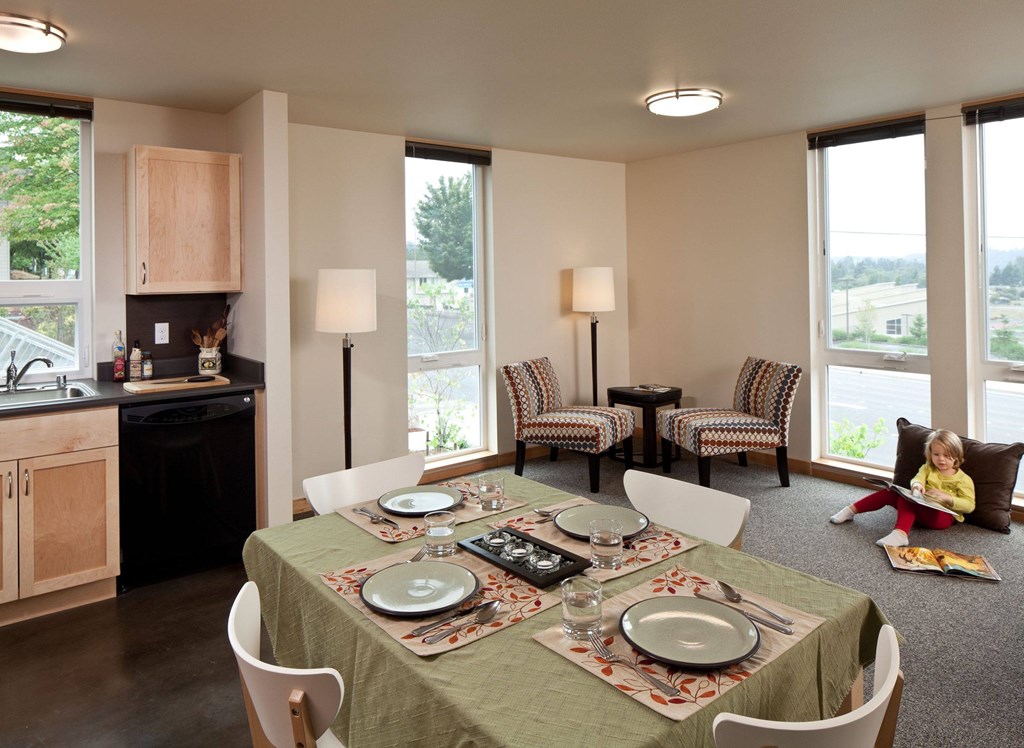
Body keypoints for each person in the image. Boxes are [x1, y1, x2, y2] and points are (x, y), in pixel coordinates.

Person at [829, 429, 975, 547]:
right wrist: (917, 486)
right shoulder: (928, 468)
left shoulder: (963, 479)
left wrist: (946, 497)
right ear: (930, 454)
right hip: (919, 508)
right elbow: (917, 479)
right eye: (936, 454)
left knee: (906, 501)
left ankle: (900, 534)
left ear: (956, 456)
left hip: (941, 518)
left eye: (947, 455)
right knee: (891, 492)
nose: (941, 459)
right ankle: (851, 510)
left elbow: (969, 506)